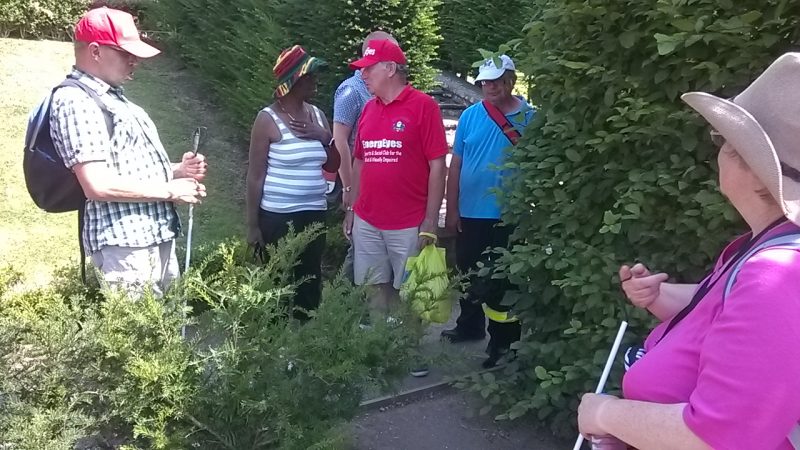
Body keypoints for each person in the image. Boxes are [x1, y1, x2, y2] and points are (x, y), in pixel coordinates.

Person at [577, 53, 800, 449]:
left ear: (748, 163)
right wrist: (661, 295)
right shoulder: (766, 244)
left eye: (724, 140)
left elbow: (721, 438)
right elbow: (723, 316)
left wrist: (605, 413)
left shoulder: (780, 273)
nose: (717, 148)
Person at [51, 7, 207, 297]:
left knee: (165, 335)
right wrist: (170, 190)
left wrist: (176, 170)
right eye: (125, 53)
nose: (134, 61)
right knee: (142, 339)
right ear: (95, 51)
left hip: (153, 235)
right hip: (126, 246)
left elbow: (124, 166)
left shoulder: (112, 98)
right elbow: (97, 184)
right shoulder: (75, 100)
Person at [345, 39, 448, 376]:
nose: (363, 76)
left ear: (390, 68)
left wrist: (431, 219)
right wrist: (352, 209)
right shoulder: (369, 109)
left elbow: (437, 164)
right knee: (374, 286)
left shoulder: (423, 106)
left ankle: (410, 350)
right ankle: (381, 346)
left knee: (410, 291)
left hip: (408, 221)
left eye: (368, 69)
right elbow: (360, 162)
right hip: (369, 218)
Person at [440, 55, 535, 368]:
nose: (489, 86)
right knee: (467, 272)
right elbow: (457, 164)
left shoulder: (531, 118)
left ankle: (503, 344)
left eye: (495, 81)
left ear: (510, 80)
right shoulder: (469, 116)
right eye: (484, 81)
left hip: (508, 215)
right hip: (470, 212)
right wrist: (451, 208)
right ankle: (469, 324)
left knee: (502, 281)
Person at [245, 45, 340, 320]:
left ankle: (305, 343)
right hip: (277, 216)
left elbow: (333, 165)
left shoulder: (318, 115)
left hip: (314, 213)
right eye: (310, 77)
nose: (316, 82)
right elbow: (255, 175)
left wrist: (324, 137)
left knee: (310, 279)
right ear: (293, 81)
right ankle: (276, 347)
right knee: (279, 282)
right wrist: (252, 226)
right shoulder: (267, 120)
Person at [333, 30, 397, 282]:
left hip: (381, 186)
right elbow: (339, 141)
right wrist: (349, 188)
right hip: (358, 182)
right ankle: (344, 304)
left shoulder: (383, 90)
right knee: (359, 245)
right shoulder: (351, 92)